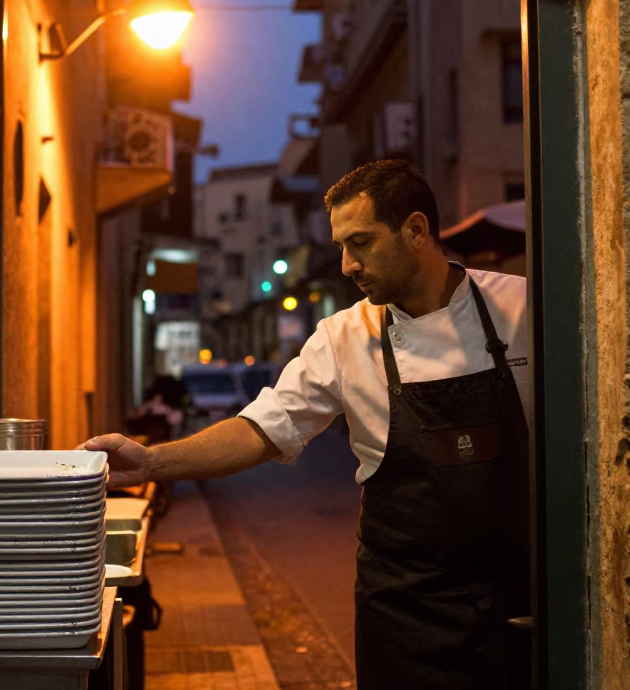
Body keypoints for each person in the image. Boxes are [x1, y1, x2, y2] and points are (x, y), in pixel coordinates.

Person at [81, 159, 532, 689]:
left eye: (360, 243)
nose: (345, 264)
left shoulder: (523, 307)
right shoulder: (342, 337)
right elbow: (262, 428)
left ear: (415, 231)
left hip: (517, 594)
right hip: (407, 608)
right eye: (341, 245)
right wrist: (154, 461)